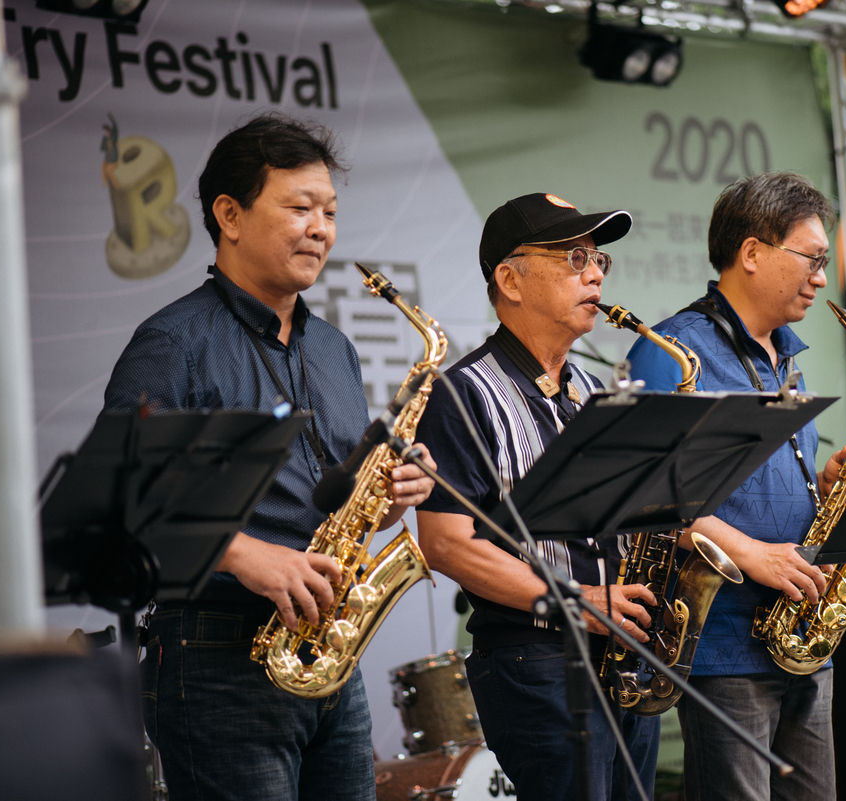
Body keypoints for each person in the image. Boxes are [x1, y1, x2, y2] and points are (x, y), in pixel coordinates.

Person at [102, 114, 435, 801]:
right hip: (214, 654)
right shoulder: (173, 343)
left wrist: (388, 492)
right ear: (230, 214)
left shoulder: (334, 349)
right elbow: (119, 494)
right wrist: (241, 552)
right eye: (299, 208)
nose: (321, 228)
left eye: (331, 211)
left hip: (324, 653)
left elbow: (333, 503)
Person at [415, 192, 661, 800]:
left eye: (600, 259)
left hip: (620, 652)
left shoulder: (593, 388)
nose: (596, 272)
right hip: (539, 660)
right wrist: (576, 600)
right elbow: (446, 544)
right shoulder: (461, 394)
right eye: (575, 258)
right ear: (510, 279)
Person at [624, 173, 846, 801]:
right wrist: (747, 552)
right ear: (752, 253)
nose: (822, 279)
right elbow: (639, 491)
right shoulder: (669, 350)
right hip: (723, 643)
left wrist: (824, 486)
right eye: (812, 259)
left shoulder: (786, 356)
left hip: (802, 631)